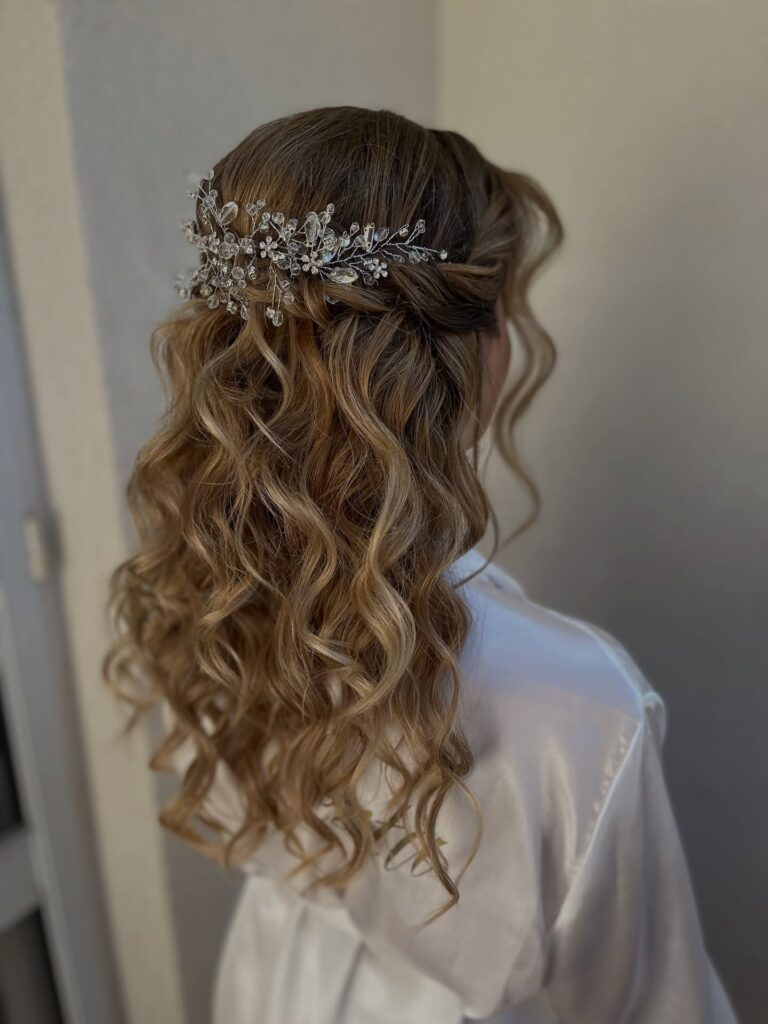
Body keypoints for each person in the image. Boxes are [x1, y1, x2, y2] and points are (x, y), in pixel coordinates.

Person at [104, 106, 736, 1023]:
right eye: (504, 309)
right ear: (462, 359)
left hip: (267, 986)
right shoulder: (581, 709)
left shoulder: (201, 579)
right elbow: (649, 1007)